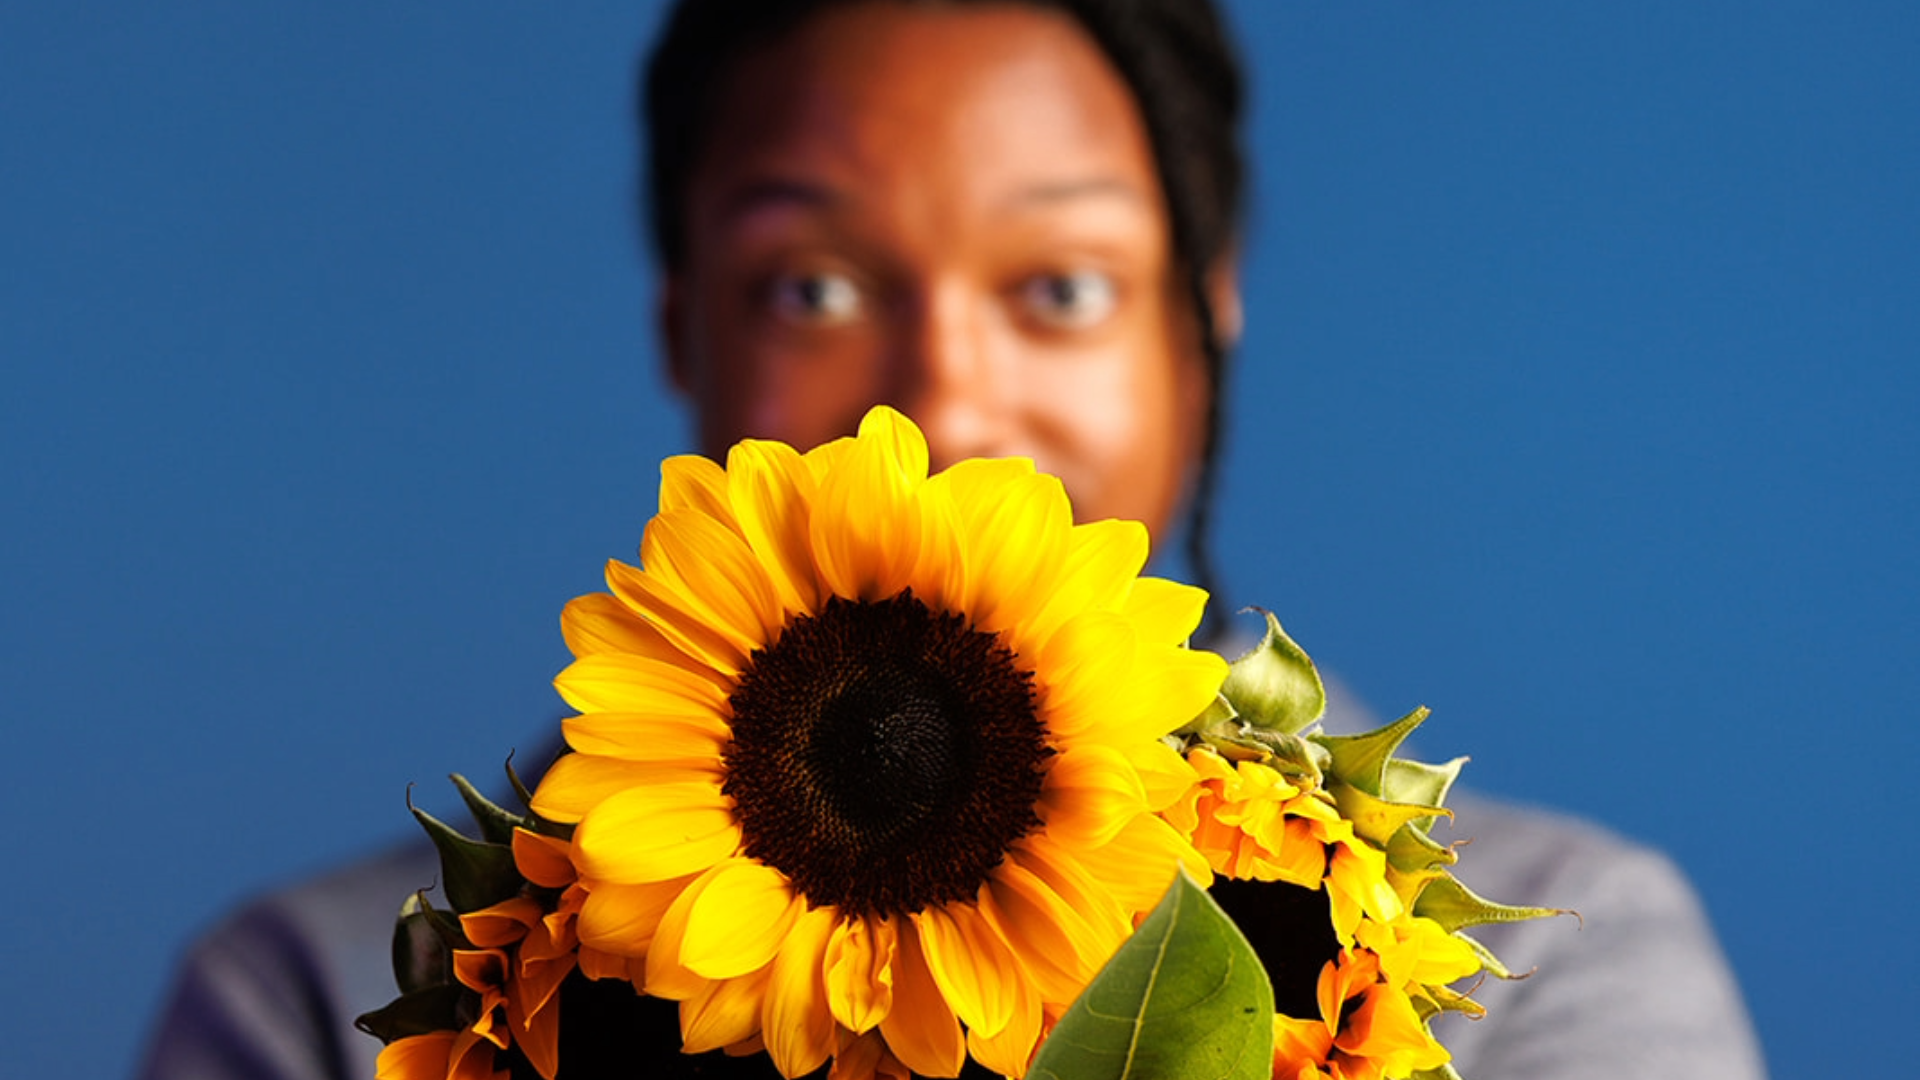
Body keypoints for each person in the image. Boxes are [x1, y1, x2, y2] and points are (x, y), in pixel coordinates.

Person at [136, 2, 1766, 1078]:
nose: (943, 392)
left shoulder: (1538, 966)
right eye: (815, 290)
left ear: (1206, 321)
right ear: (680, 327)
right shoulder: (348, 998)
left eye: (1059, 286)